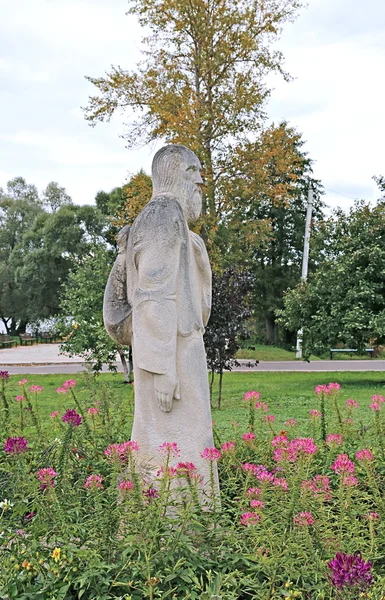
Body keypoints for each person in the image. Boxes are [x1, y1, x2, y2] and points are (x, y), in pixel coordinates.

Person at [104, 144, 219, 494]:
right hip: (172, 357)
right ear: (175, 175)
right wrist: (162, 369)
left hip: (178, 349)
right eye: (193, 172)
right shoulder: (163, 214)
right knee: (178, 448)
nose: (201, 180)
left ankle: (186, 529)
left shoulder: (175, 223)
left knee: (191, 443)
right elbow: (153, 296)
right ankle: (175, 532)